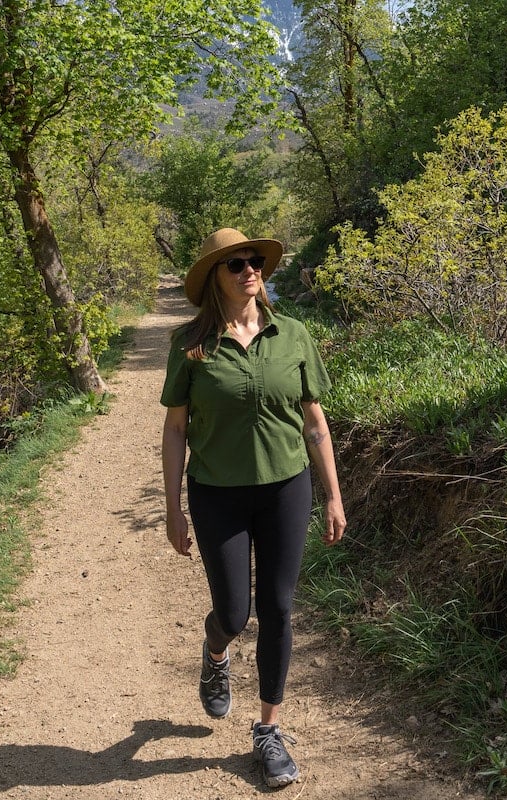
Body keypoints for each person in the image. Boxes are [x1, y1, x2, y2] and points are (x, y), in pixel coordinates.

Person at [160, 228, 347, 788]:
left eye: (254, 261)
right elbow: (175, 430)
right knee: (235, 614)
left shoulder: (292, 335)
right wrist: (173, 509)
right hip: (217, 492)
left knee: (280, 607)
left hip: (285, 487)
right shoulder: (191, 345)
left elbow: (314, 423)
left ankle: (268, 729)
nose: (249, 270)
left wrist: (334, 495)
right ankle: (215, 653)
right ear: (215, 279)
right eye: (235, 264)